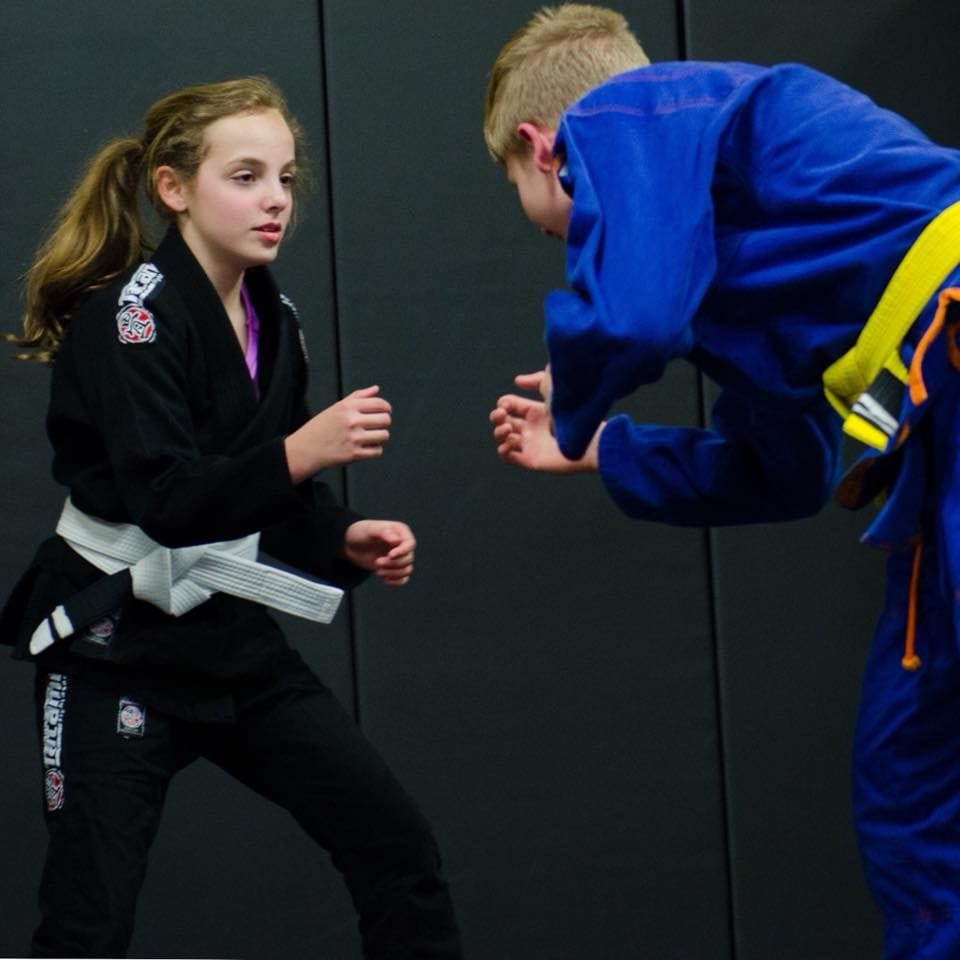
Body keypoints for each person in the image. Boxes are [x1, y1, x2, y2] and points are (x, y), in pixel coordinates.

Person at [484, 5, 960, 959]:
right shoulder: (734, 267)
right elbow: (783, 471)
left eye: (549, 227)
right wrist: (607, 449)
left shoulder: (632, 111)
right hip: (935, 432)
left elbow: (630, 322)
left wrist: (573, 405)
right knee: (906, 771)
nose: (564, 246)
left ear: (545, 150)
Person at [1, 76, 461, 958]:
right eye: (245, 176)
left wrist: (337, 535)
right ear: (174, 188)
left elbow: (263, 499)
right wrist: (303, 452)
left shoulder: (273, 320)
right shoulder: (128, 323)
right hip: (114, 653)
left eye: (286, 178)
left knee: (399, 851)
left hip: (231, 646)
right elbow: (169, 501)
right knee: (87, 920)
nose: (276, 200)